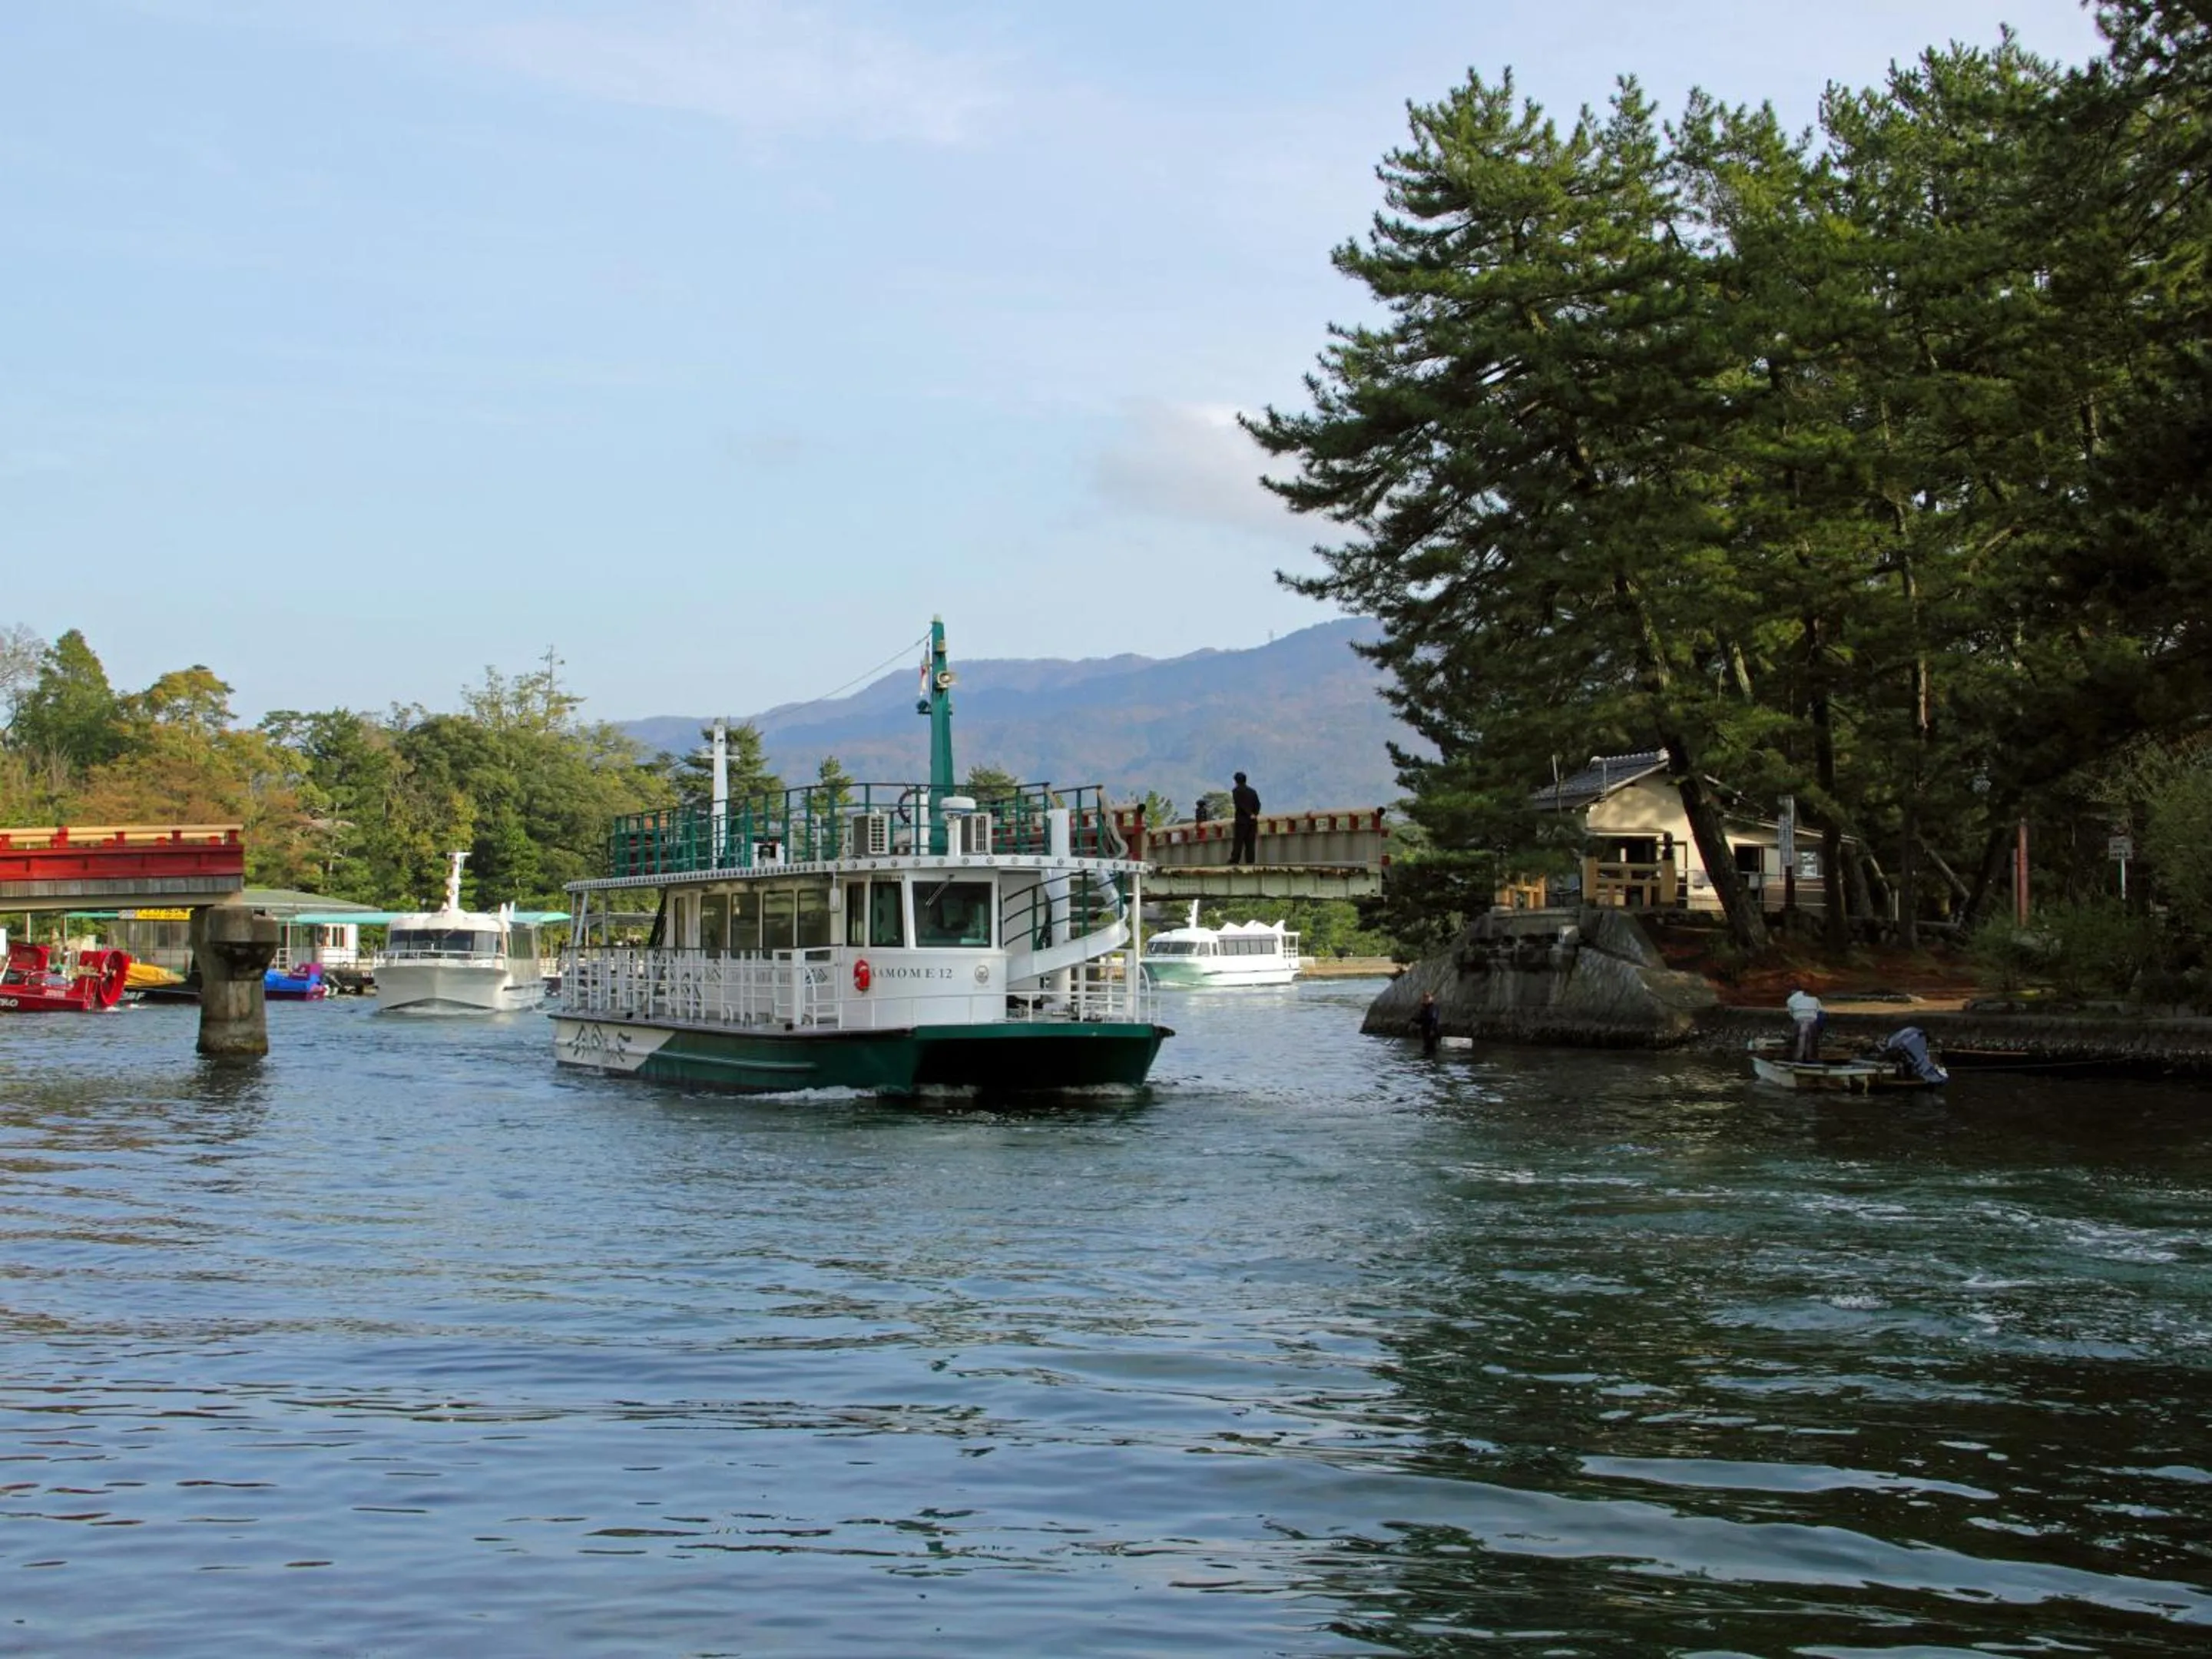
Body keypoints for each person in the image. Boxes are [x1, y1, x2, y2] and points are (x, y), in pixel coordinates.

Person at [1785, 984, 1825, 1062]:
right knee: (1812, 1039)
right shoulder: (1814, 999)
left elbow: (1791, 1013)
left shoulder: (1790, 1000)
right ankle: (1811, 1057)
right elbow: (1820, 1011)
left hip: (1799, 1019)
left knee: (1798, 1038)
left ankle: (1798, 1057)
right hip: (1812, 1020)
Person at [1230, 771, 1260, 865]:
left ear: (1236, 781)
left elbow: (1240, 804)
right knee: (1250, 843)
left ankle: (1234, 860)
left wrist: (1248, 813)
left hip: (1242, 820)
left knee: (1238, 842)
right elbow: (1258, 804)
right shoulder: (1253, 791)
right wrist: (1254, 814)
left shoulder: (1236, 791)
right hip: (1252, 821)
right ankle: (1250, 862)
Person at [1416, 990, 1442, 1056]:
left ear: (1431, 998)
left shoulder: (1433, 1007)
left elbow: (1434, 1019)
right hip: (1425, 1031)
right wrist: (1414, 1020)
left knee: (1432, 1049)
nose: (1426, 999)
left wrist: (1432, 1030)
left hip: (1432, 1032)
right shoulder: (1424, 1008)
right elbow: (1421, 1020)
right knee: (1426, 1048)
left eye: (1427, 997)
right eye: (1425, 997)